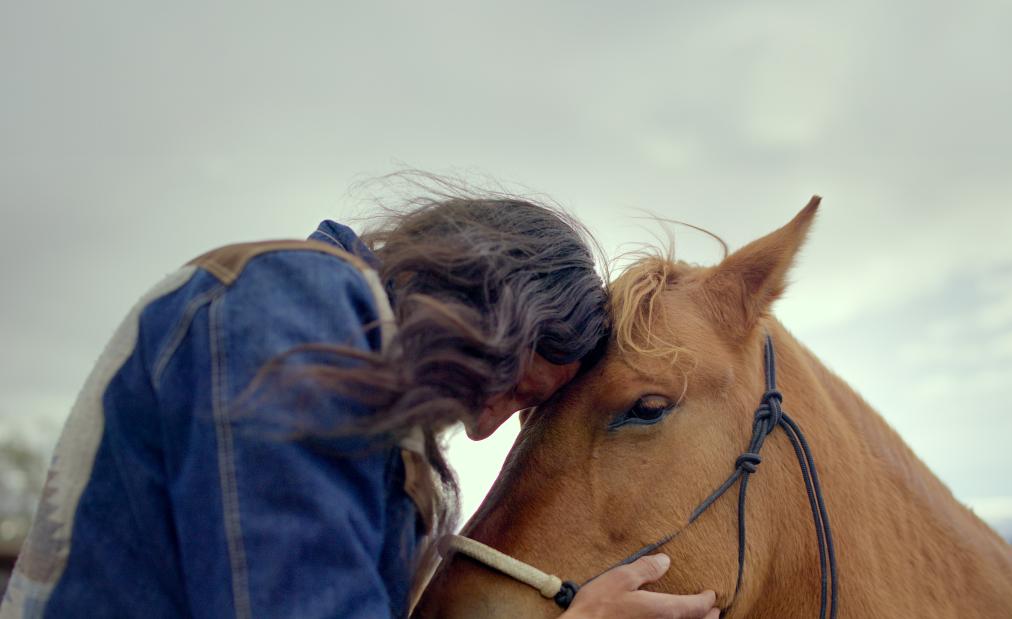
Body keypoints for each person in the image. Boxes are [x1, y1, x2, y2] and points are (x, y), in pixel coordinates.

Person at [1, 184, 718, 618]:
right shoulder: (295, 307)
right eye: (512, 387)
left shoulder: (362, 386)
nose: (483, 426)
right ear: (492, 309)